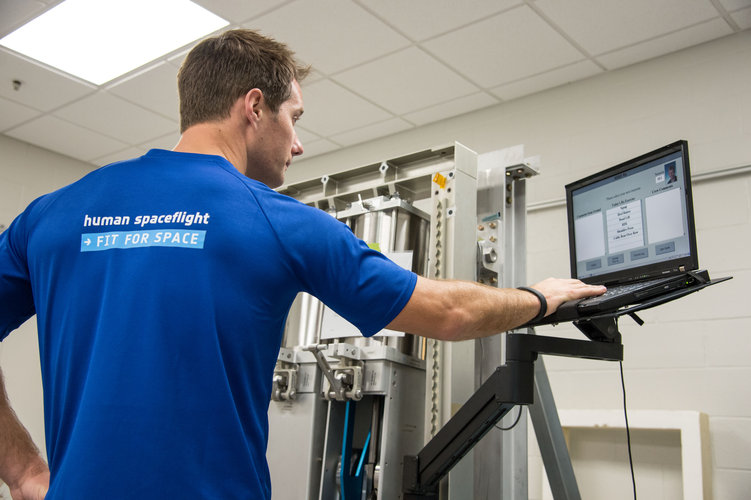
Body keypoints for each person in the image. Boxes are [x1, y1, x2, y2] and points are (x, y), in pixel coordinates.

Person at [0, 29, 604, 499]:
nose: (298, 143)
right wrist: (541, 296)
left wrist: (25, 471)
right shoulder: (277, 220)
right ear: (253, 106)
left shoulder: (52, 213)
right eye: (295, 118)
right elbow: (444, 312)